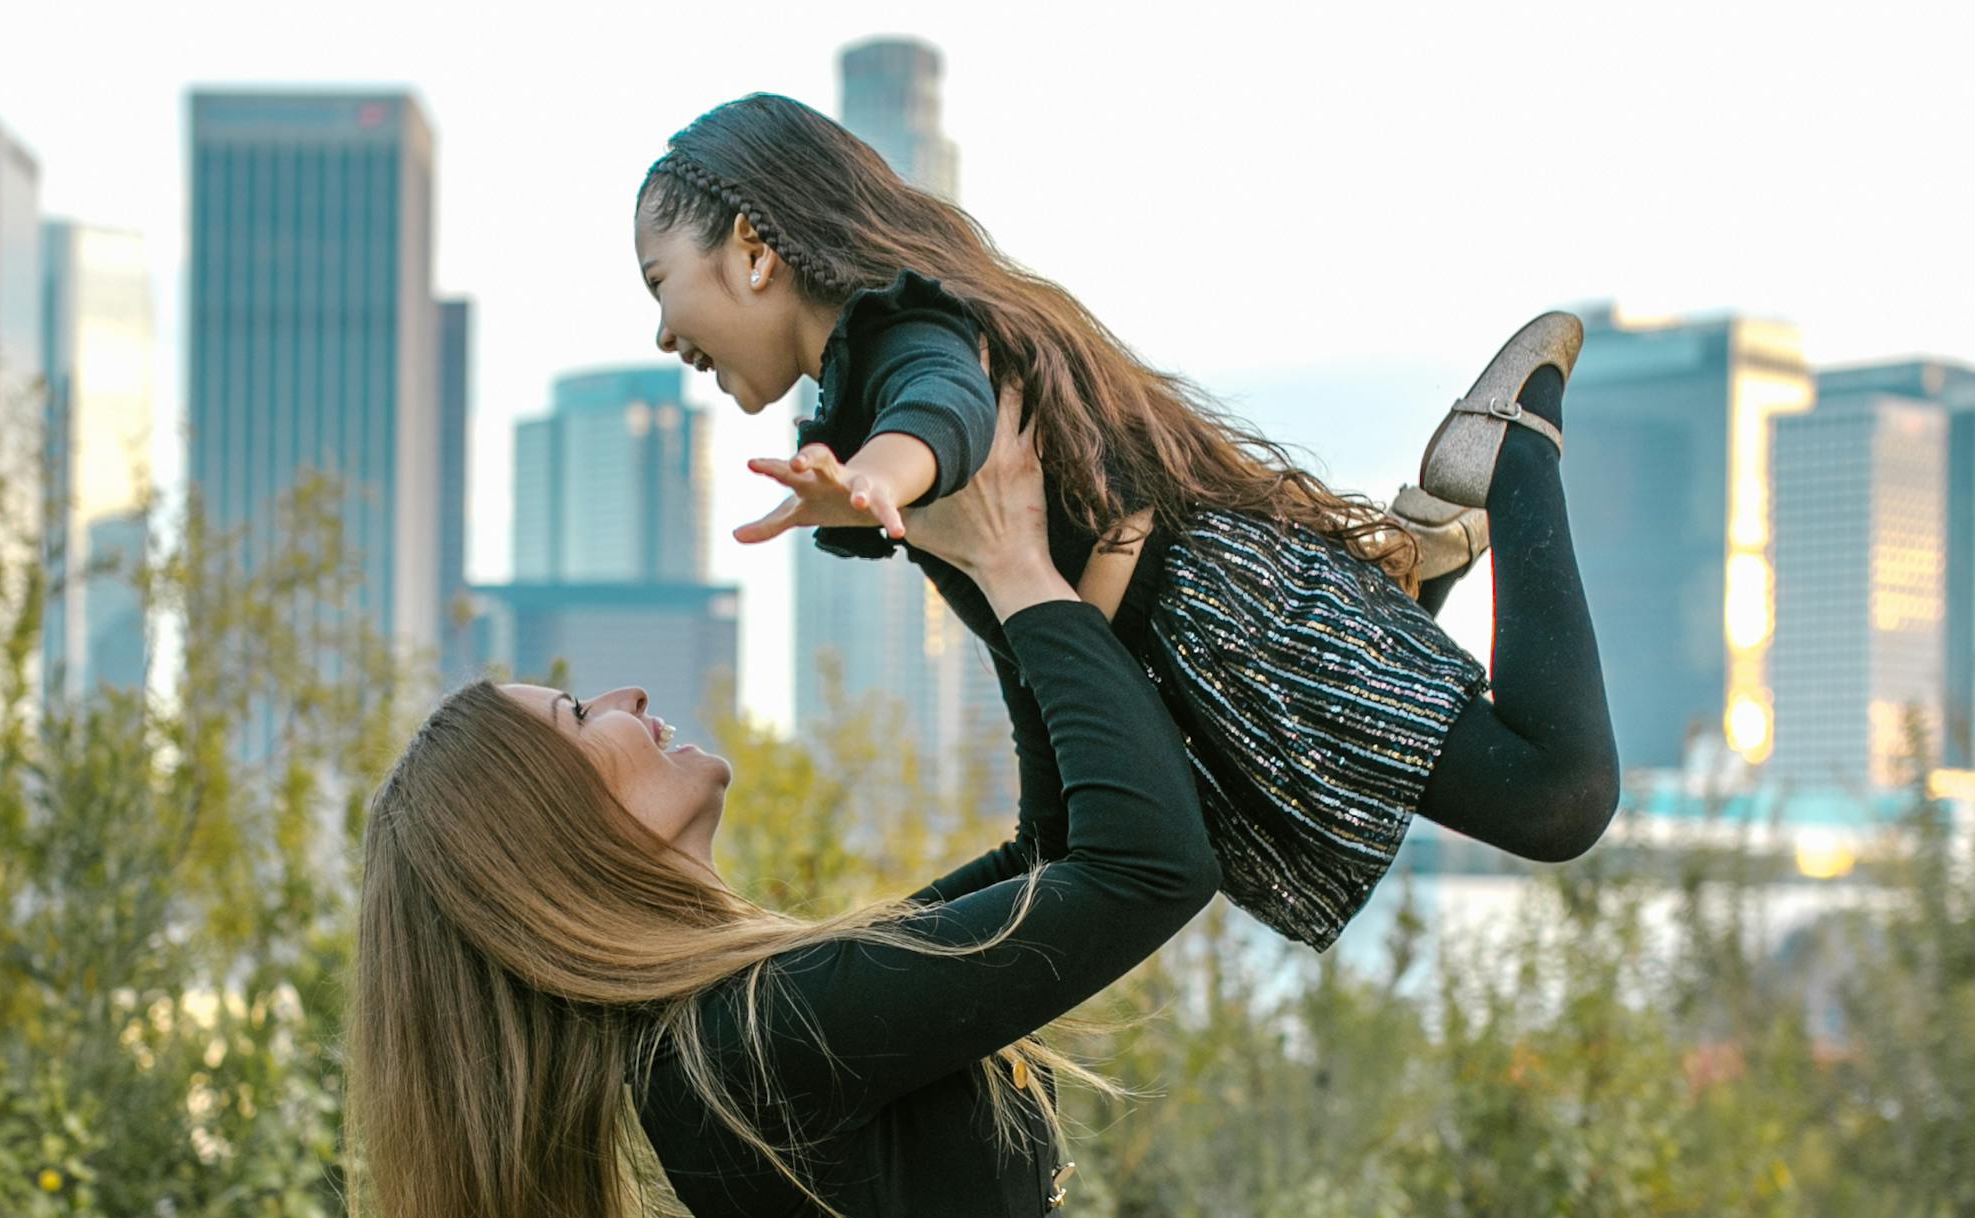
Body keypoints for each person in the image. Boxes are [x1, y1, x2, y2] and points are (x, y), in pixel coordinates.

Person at [345, 390, 1290, 1218]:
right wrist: (1014, 569)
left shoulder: (755, 1017)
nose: (622, 692)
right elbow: (1142, 866)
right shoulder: (758, 1036)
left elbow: (1054, 858)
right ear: (548, 840)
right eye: (576, 714)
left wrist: (988, 564)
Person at [635, 93, 1619, 950]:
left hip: (1209, 614)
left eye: (657, 280)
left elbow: (944, 412)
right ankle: (1395, 584)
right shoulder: (861, 378)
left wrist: (880, 478)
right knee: (1049, 866)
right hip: (1140, 635)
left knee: (1555, 797)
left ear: (754, 252)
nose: (661, 331)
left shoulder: (903, 329)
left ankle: (1514, 452)